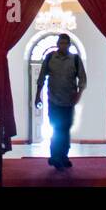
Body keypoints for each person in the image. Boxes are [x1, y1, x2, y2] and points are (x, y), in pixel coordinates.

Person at [34, 34, 86, 169]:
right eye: (61, 43)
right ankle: (56, 156)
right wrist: (37, 96)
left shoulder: (75, 59)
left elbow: (82, 79)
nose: (63, 45)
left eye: (65, 43)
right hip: (54, 101)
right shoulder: (50, 58)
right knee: (56, 129)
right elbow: (41, 78)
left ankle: (63, 156)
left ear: (69, 45)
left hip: (69, 102)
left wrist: (79, 94)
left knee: (65, 129)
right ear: (57, 44)